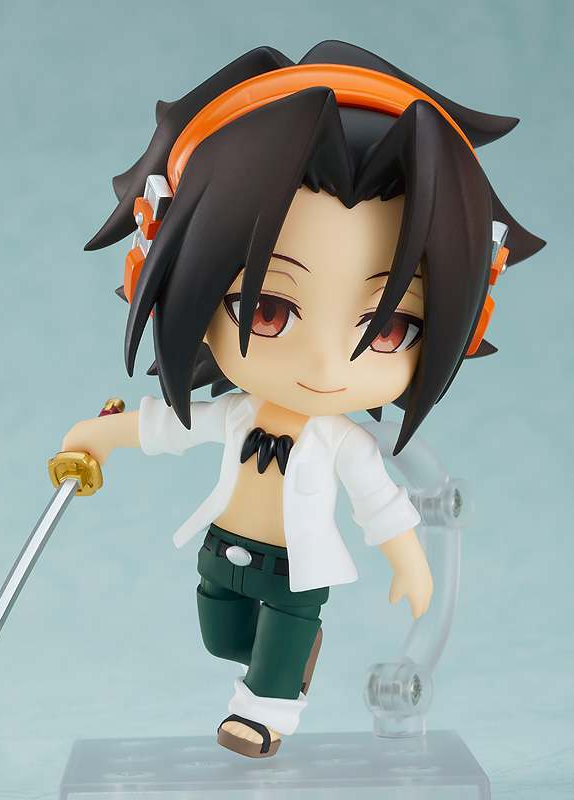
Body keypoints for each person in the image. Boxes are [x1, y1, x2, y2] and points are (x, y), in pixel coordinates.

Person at [60, 41, 544, 758]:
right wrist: (99, 435)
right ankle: (271, 666)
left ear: (466, 324)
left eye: (388, 328)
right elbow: (168, 428)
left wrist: (410, 562)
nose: (323, 364)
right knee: (220, 635)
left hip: (296, 570)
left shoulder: (340, 442)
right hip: (222, 549)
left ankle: (265, 710)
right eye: (268, 311)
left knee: (276, 650)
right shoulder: (238, 415)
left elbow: (379, 503)